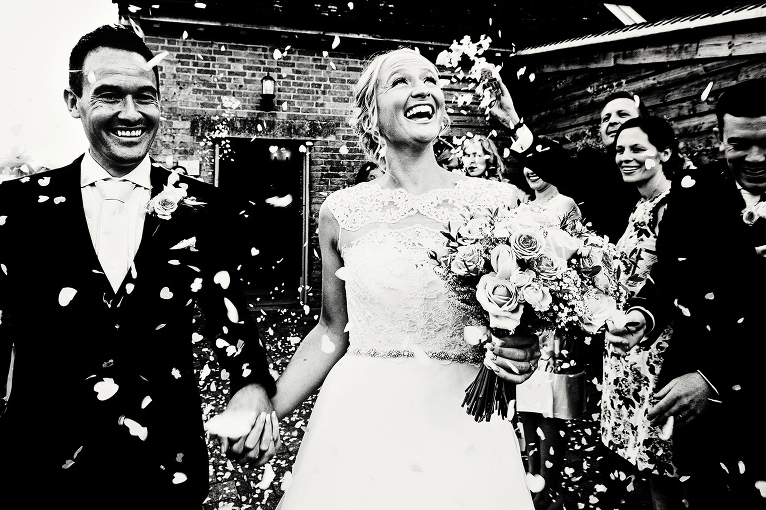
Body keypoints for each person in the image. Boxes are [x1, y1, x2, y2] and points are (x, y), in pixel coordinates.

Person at [0, 24, 277, 509]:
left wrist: (250, 386)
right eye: (109, 95)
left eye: (145, 97)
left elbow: (229, 312)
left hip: (164, 466)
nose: (131, 113)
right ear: (73, 101)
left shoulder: (203, 209)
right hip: (38, 468)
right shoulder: (15, 210)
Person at [271, 48, 539, 510]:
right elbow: (332, 331)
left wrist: (522, 347)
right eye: (400, 82)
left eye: (430, 79)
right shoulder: (341, 211)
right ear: (371, 113)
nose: (421, 90)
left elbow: (522, 316)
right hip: (362, 417)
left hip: (462, 417)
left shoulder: (497, 202)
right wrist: (267, 412)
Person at [613, 79, 766, 508]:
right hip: (704, 423)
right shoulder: (694, 196)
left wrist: (713, 379)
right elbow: (670, 277)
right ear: (720, 140)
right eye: (740, 144)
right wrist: (644, 315)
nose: (755, 158)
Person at [599, 117, 685, 510]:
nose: (625, 157)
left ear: (665, 153)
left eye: (636, 148)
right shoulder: (636, 206)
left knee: (663, 463)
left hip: (658, 351)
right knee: (637, 461)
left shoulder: (678, 208)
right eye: (619, 150)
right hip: (624, 350)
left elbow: (675, 281)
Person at [490, 79, 647, 242]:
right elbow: (558, 165)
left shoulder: (665, 170)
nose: (612, 121)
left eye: (623, 114)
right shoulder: (594, 168)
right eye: (606, 118)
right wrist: (512, 120)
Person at [516, 169, 582, 510]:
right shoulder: (523, 205)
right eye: (526, 164)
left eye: (539, 164)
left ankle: (549, 489)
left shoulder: (566, 204)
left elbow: (578, 259)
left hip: (555, 316)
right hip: (527, 315)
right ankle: (530, 478)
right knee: (527, 404)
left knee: (550, 406)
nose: (531, 171)